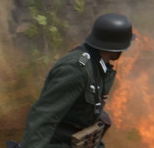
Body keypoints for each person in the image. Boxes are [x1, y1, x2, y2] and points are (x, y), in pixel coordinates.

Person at [19, 12, 133, 148]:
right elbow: (43, 117)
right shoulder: (76, 69)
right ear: (116, 49)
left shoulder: (99, 67)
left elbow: (90, 119)